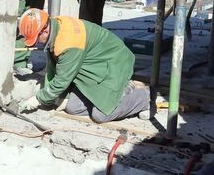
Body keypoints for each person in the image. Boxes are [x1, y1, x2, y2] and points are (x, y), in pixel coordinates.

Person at [14, 8, 149, 122]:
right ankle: (109, 96)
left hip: (113, 65)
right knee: (73, 108)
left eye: (36, 39)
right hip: (94, 65)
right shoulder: (55, 26)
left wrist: (38, 99)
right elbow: (56, 67)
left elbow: (62, 80)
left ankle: (143, 96)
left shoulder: (68, 43)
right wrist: (59, 97)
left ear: (45, 31)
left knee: (100, 115)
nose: (36, 43)